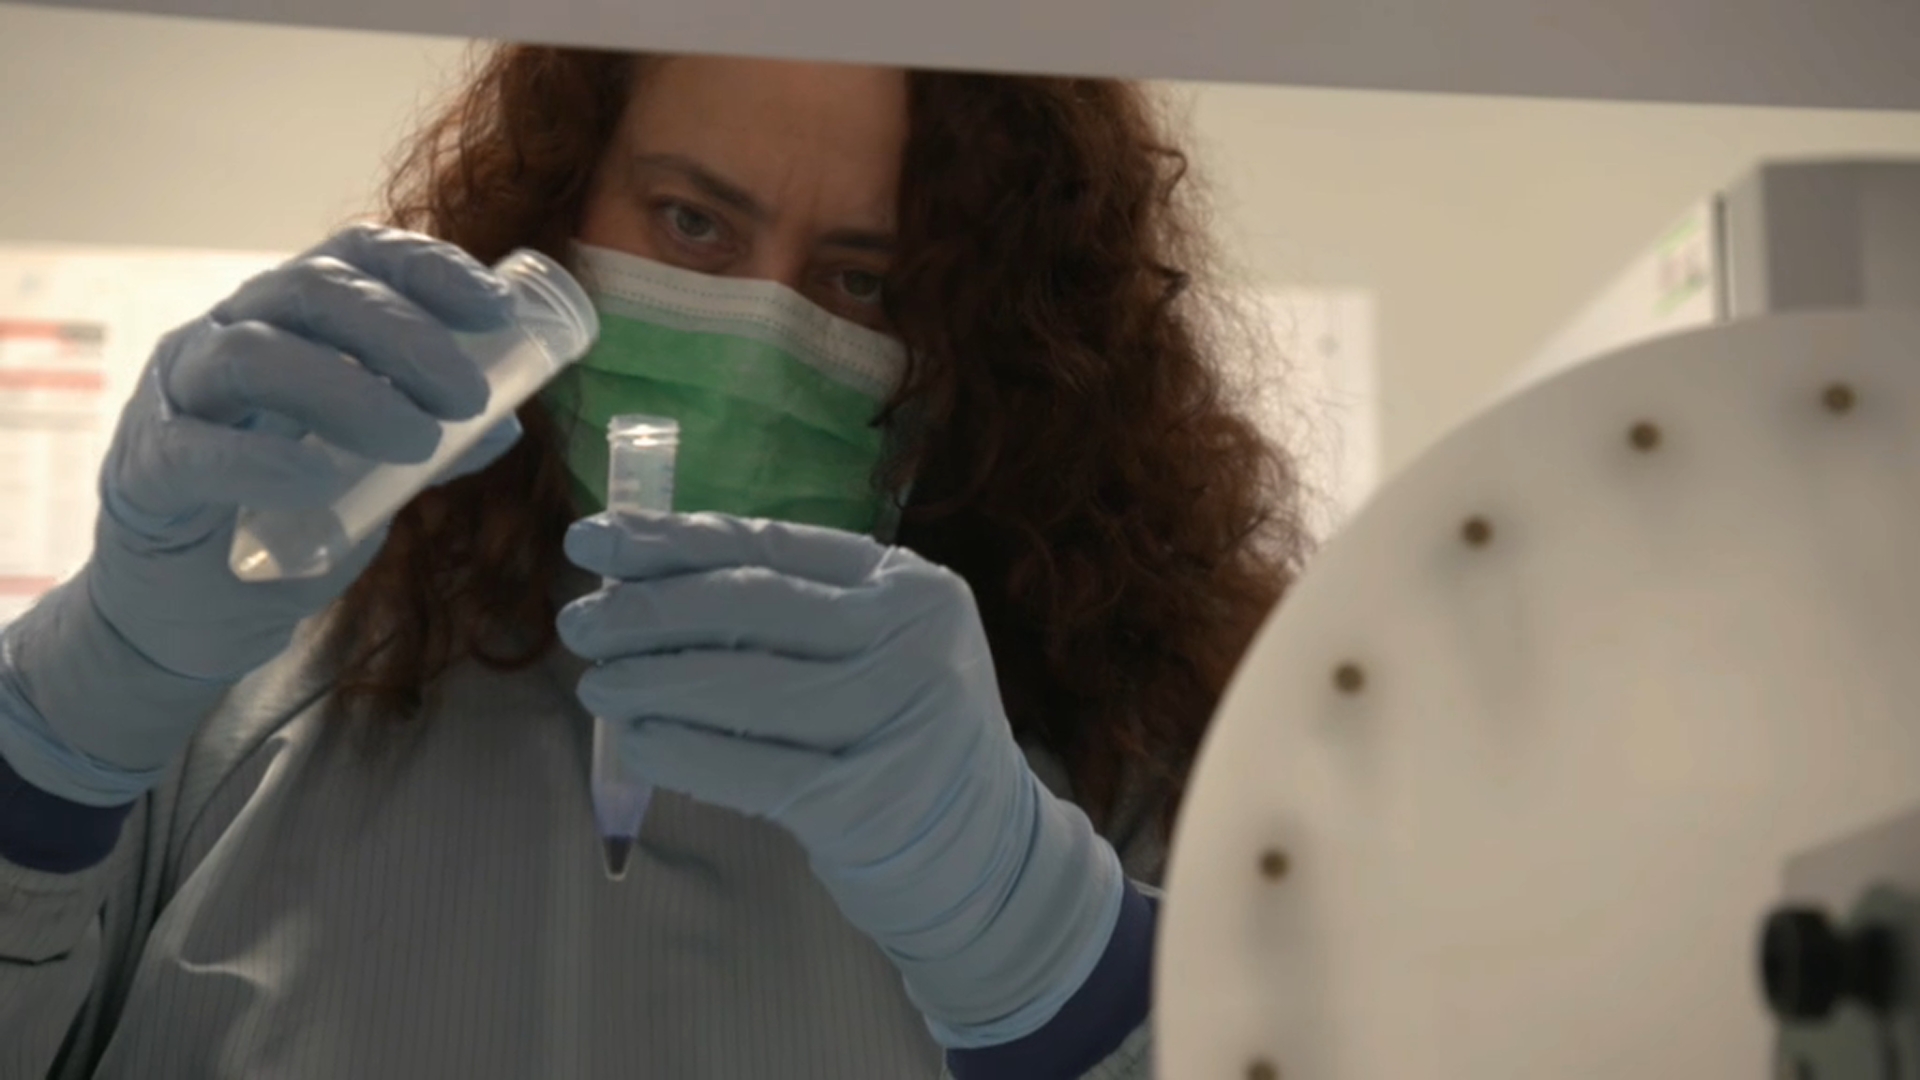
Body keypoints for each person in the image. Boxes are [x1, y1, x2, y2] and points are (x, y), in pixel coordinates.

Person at [0, 47, 1310, 1080]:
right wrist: (65, 724)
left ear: (1000, 342)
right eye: (691, 222)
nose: (753, 343)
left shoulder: (1115, 770)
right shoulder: (250, 665)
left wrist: (1048, 954)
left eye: (865, 284)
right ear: (561, 206)